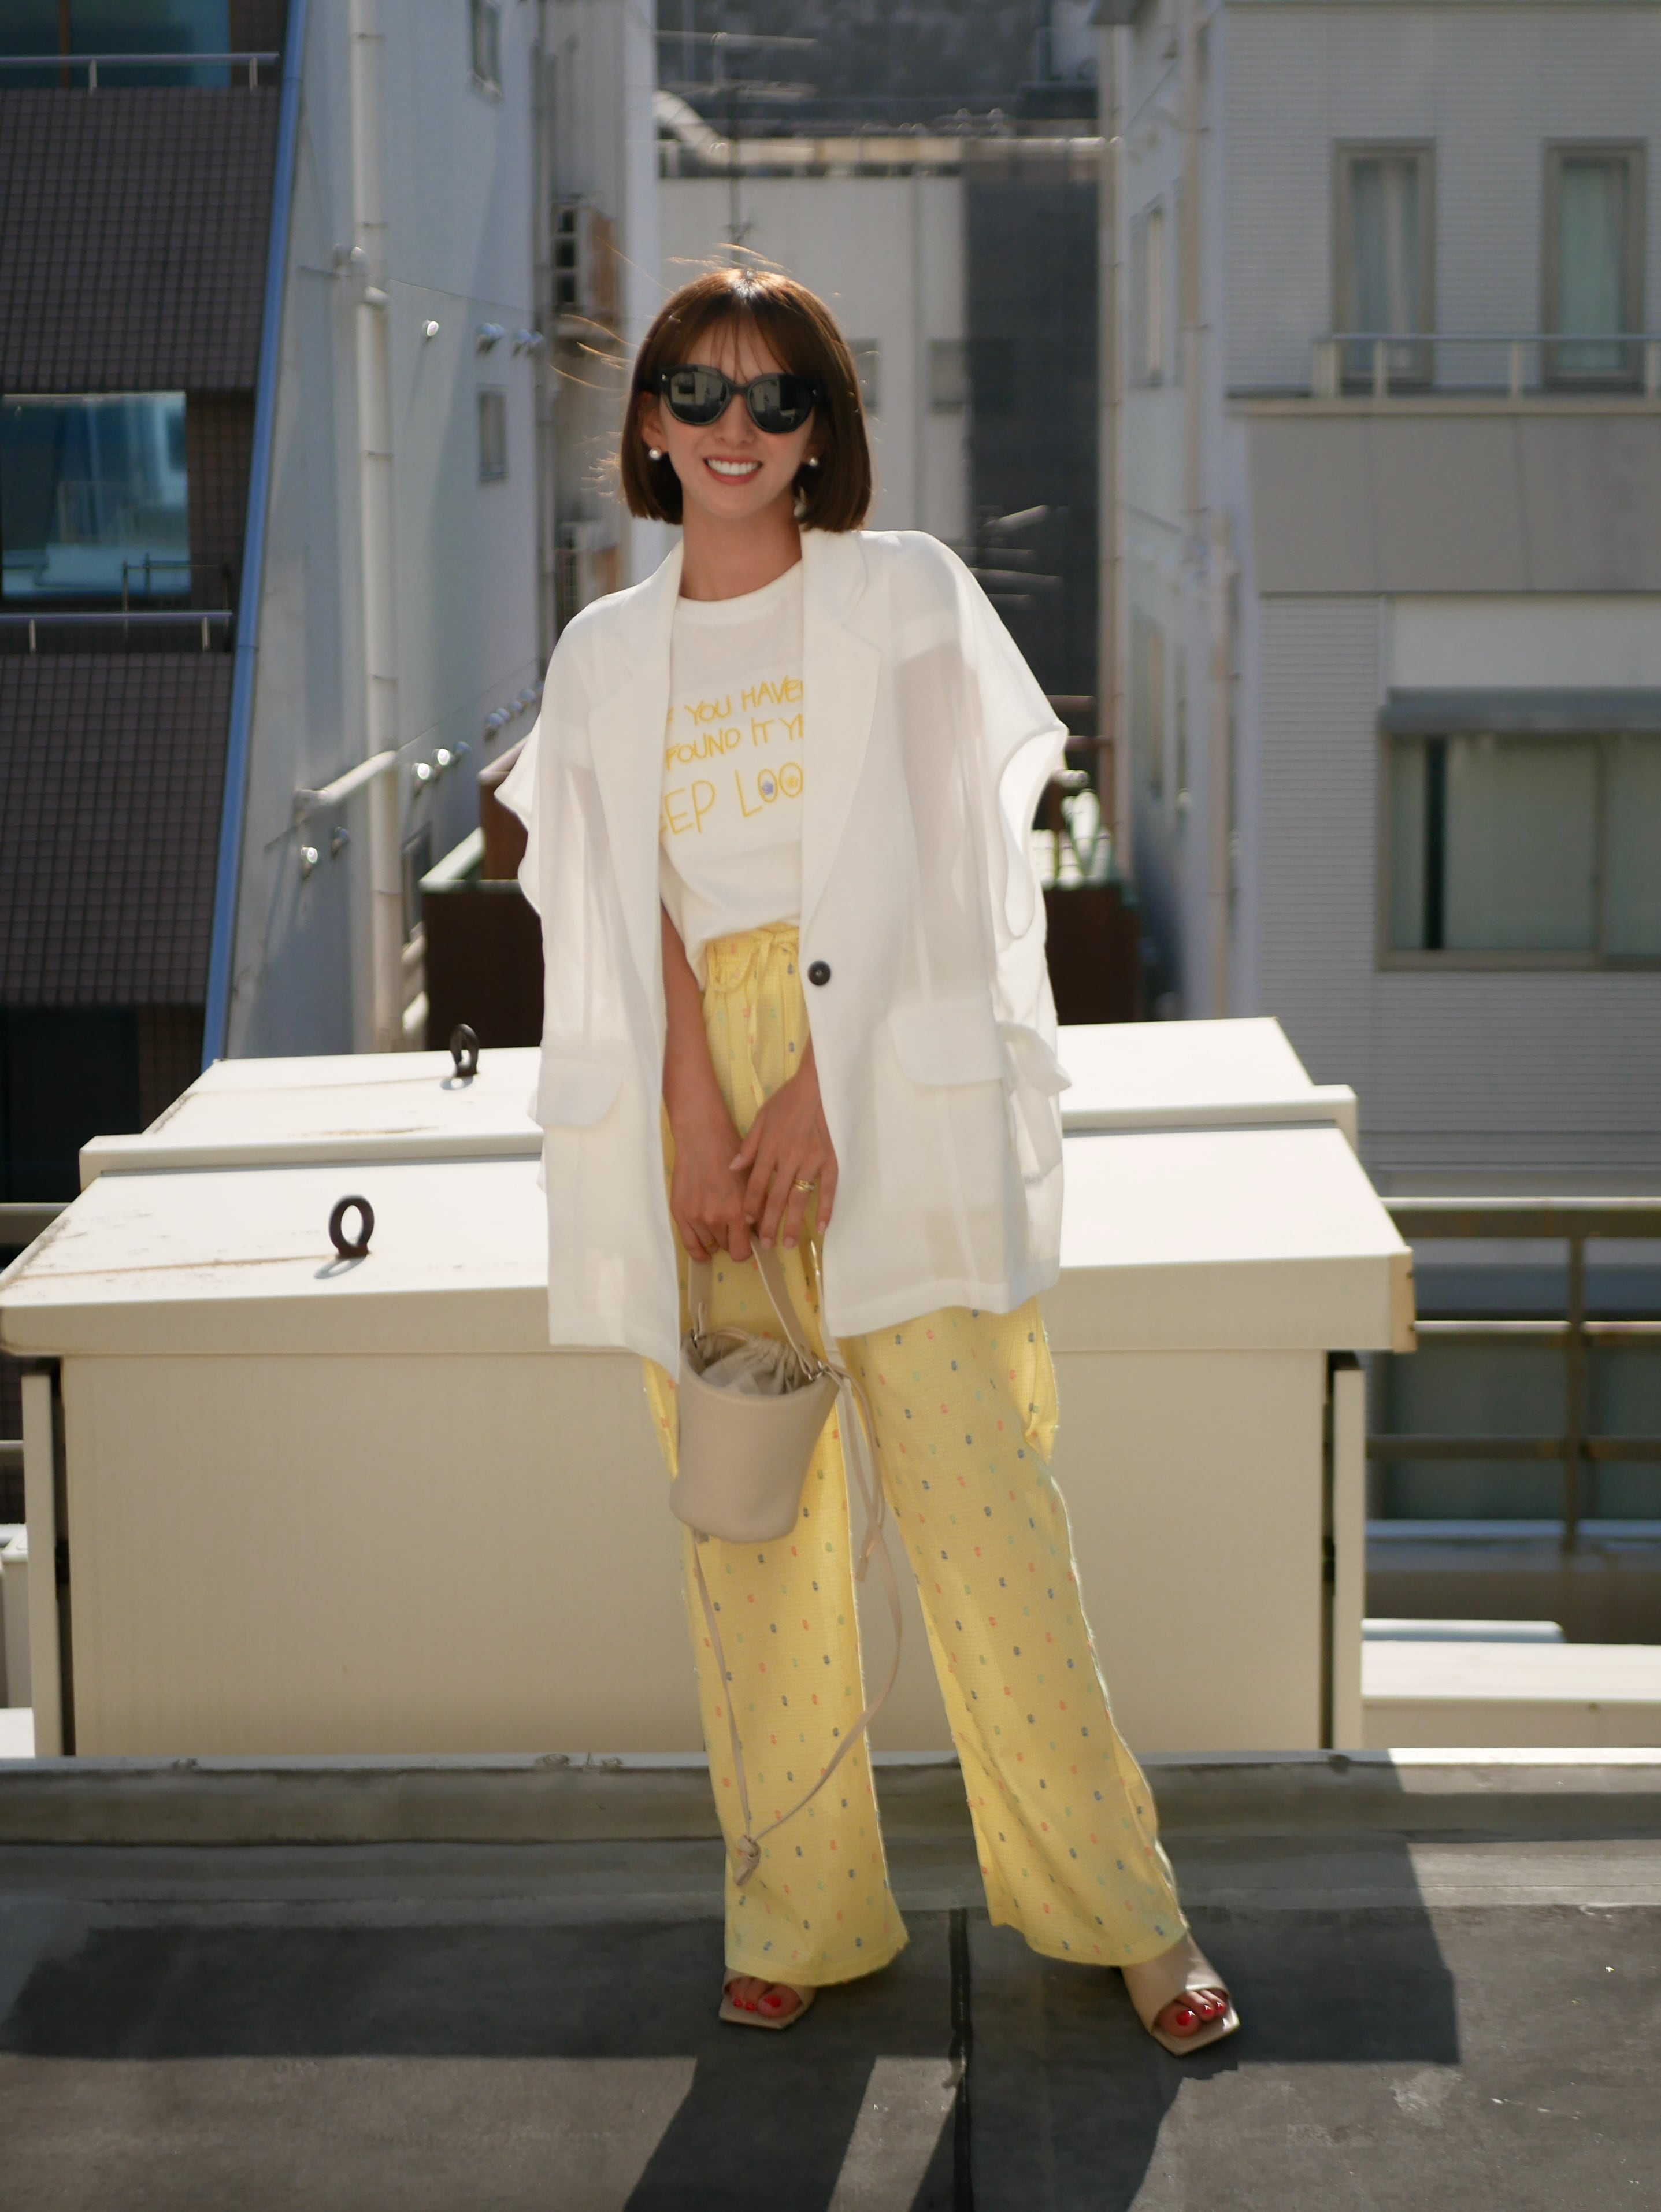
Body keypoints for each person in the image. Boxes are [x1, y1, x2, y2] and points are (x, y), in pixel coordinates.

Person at [500, 266, 1238, 2053]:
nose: (733, 427)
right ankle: (796, 1908)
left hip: (887, 1084)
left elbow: (955, 866)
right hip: (699, 1092)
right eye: (697, 390)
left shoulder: (900, 595)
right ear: (648, 421)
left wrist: (821, 1098)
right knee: (751, 1521)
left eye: (776, 397)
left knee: (991, 1520)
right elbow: (614, 913)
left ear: (820, 430)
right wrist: (698, 1117)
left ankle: (1124, 1911)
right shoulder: (604, 654)